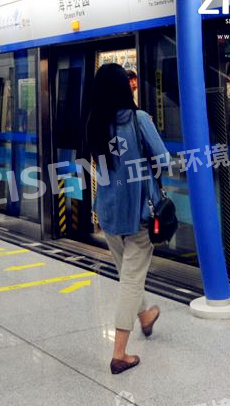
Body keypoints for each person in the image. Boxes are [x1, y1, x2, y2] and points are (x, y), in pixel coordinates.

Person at [85, 63, 167, 374]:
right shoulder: (139, 119)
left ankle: (145, 316)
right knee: (131, 279)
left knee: (128, 274)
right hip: (140, 212)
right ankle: (119, 353)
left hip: (108, 213)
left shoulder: (94, 123)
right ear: (124, 87)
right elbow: (162, 159)